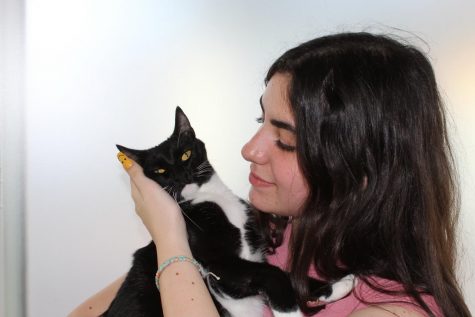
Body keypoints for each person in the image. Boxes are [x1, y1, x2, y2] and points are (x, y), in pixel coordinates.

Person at [68, 32, 471, 317]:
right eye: (262, 120)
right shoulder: (267, 233)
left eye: (285, 140)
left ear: (361, 169)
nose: (249, 149)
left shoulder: (390, 312)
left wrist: (171, 242)